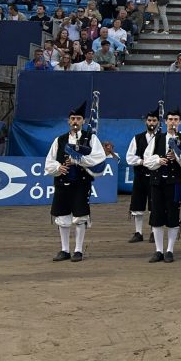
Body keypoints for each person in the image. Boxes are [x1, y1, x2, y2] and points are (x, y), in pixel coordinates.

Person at [44, 101, 107, 262]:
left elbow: (99, 158)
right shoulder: (60, 140)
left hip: (81, 183)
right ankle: (64, 250)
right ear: (68, 121)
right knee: (63, 217)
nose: (75, 121)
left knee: (80, 216)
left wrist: (79, 160)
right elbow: (49, 162)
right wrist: (59, 168)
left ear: (83, 121)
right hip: (62, 183)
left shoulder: (90, 138)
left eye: (78, 118)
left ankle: (78, 250)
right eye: (72, 118)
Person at [141, 107, 181, 262]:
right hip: (157, 182)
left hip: (174, 183)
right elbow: (146, 159)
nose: (173, 122)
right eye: (170, 119)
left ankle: (169, 250)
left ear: (179, 122)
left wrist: (178, 157)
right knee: (157, 215)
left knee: (173, 215)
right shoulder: (158, 138)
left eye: (176, 120)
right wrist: (159, 160)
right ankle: (158, 250)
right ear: (165, 121)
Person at [125, 109, 160, 243]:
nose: (151, 123)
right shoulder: (138, 138)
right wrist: (141, 161)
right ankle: (138, 232)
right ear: (146, 122)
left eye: (154, 120)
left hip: (155, 176)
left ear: (158, 122)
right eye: (149, 120)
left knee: (154, 204)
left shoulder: (161, 138)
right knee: (137, 205)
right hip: (140, 176)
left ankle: (153, 231)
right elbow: (129, 157)